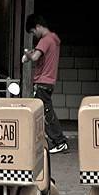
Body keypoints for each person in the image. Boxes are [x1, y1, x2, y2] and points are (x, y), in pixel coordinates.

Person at [22, 14, 68, 154]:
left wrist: (27, 55)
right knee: (45, 112)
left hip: (43, 81)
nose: (34, 35)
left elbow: (35, 57)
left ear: (37, 27)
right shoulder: (53, 39)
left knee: (45, 114)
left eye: (33, 32)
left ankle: (60, 142)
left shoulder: (45, 40)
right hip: (49, 81)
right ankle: (53, 140)